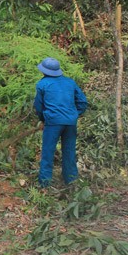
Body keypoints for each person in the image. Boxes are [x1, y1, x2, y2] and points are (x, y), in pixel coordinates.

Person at [34, 57, 88, 188]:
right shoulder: (70, 82)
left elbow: (38, 107)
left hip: (53, 122)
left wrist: (44, 119)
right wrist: (75, 114)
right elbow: (83, 102)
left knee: (48, 152)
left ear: (44, 71)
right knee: (69, 151)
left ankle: (44, 184)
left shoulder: (42, 84)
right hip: (70, 122)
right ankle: (71, 181)